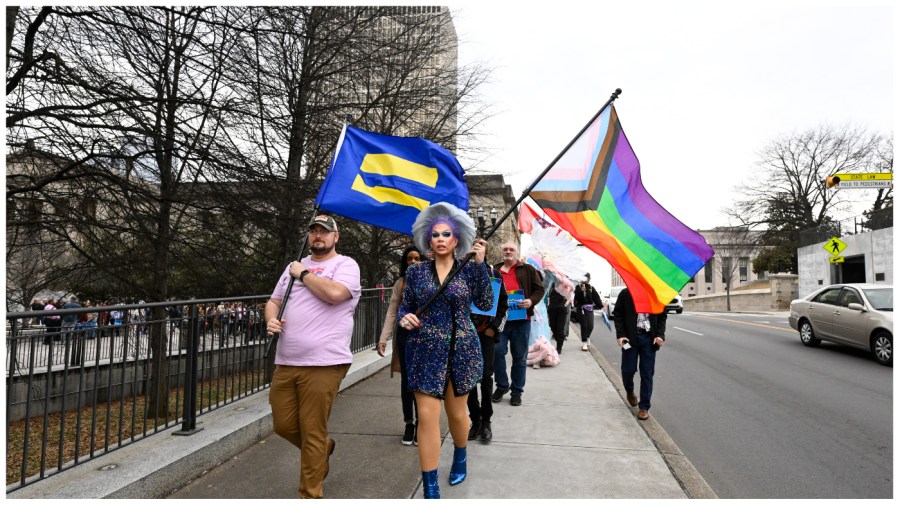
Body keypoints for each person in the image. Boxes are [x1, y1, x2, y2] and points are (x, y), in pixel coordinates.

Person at [397, 202, 492, 498]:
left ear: (456, 239)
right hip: (425, 349)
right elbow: (406, 306)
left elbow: (487, 303)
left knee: (457, 415)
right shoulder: (416, 273)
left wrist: (480, 265)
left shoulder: (469, 270)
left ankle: (460, 455)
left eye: (446, 234)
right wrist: (406, 317)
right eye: (435, 234)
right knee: (426, 417)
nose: (440, 238)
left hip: (461, 348)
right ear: (428, 238)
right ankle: (430, 484)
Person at [264, 214, 361, 499]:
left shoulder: (345, 265)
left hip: (324, 362)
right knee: (283, 425)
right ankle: (323, 450)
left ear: (336, 237)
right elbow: (274, 301)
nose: (318, 235)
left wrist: (304, 275)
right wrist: (271, 319)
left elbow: (335, 294)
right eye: (314, 231)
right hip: (286, 359)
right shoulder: (294, 266)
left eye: (324, 232)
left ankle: (310, 494)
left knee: (312, 429)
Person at [376, 245, 422, 446]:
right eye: (410, 259)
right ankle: (409, 424)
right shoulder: (400, 283)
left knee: (422, 382)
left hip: (425, 338)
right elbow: (392, 311)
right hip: (404, 336)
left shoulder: (430, 281)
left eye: (417, 258)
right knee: (407, 383)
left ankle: (423, 424)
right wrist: (383, 338)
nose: (413, 262)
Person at [491, 242, 545, 407]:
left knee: (519, 358)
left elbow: (539, 290)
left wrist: (530, 301)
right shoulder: (495, 270)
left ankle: (516, 391)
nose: (508, 251)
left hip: (521, 320)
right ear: (502, 252)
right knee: (497, 353)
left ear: (516, 252)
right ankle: (502, 386)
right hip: (501, 320)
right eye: (505, 249)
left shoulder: (527, 270)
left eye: (511, 249)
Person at [467, 246, 507, 442]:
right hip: (466, 335)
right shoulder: (462, 272)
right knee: (469, 380)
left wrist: (494, 328)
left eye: (480, 247)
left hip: (486, 335)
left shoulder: (494, 274)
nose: (476, 250)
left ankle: (486, 421)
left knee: (485, 377)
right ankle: (474, 420)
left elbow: (503, 306)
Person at [612, 287, 667, 421]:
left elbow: (662, 316)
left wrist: (660, 335)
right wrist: (621, 335)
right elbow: (617, 315)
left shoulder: (655, 293)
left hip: (649, 339)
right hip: (629, 339)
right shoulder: (626, 293)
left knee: (647, 373)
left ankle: (644, 407)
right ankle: (630, 392)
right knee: (627, 370)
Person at [574, 273, 603, 351]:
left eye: (587, 278)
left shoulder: (591, 288)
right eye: (584, 278)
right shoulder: (578, 287)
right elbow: (576, 297)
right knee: (584, 325)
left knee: (590, 325)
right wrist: (581, 291)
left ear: (589, 279)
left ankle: (587, 337)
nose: (586, 279)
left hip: (589, 309)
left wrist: (601, 306)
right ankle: (584, 343)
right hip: (581, 309)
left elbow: (596, 298)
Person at [546, 284, 570, 354]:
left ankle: (559, 348)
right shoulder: (552, 284)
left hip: (561, 310)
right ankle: (558, 338)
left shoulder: (566, 285)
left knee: (560, 328)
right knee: (552, 326)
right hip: (552, 308)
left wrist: (565, 305)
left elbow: (570, 296)